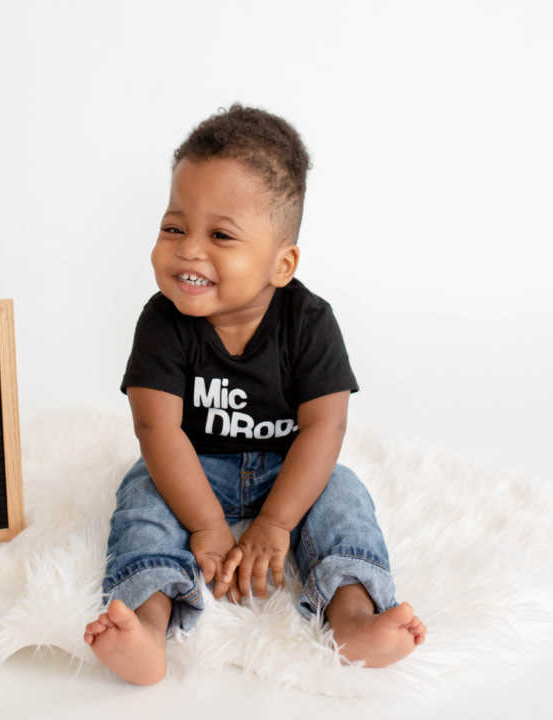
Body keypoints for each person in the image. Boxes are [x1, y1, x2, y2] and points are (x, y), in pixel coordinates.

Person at [83, 104, 427, 685]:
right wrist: (207, 525)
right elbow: (158, 430)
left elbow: (325, 428)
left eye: (220, 235)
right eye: (174, 227)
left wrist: (276, 523)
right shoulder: (162, 322)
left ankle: (353, 614)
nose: (189, 249)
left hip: (287, 471)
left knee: (343, 495)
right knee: (142, 494)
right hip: (190, 469)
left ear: (282, 263)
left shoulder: (310, 323)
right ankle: (145, 620)